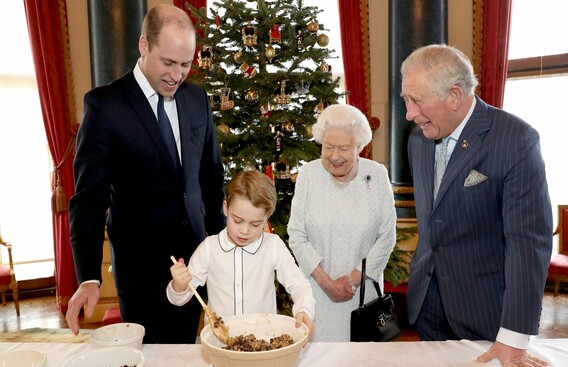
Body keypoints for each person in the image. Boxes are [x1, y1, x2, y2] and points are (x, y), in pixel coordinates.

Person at [66, 5, 226, 343]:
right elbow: (88, 199)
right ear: (144, 45)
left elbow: (211, 179)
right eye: (167, 62)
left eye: (185, 65)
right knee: (151, 365)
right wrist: (88, 277)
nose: (176, 75)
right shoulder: (105, 106)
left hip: (196, 260)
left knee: (186, 355)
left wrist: (222, 246)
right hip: (141, 271)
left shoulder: (197, 99)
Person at [401, 44, 555, 367]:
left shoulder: (516, 140)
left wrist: (514, 335)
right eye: (405, 100)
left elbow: (528, 242)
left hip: (484, 310)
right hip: (427, 302)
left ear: (455, 96)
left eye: (417, 101)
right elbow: (436, 219)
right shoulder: (417, 139)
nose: (409, 114)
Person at [287, 104, 397, 342]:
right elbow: (296, 234)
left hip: (362, 296)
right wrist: (326, 282)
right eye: (328, 147)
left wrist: (351, 280)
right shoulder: (308, 175)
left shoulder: (376, 175)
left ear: (359, 147)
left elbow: (386, 236)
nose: (335, 156)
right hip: (317, 294)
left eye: (344, 148)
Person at [168, 170, 316, 337]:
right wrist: (178, 286)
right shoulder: (209, 248)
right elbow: (179, 299)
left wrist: (304, 309)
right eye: (237, 220)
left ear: (267, 216)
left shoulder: (273, 246)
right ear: (225, 207)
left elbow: (299, 285)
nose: (244, 231)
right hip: (220, 343)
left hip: (263, 340)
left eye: (255, 224)